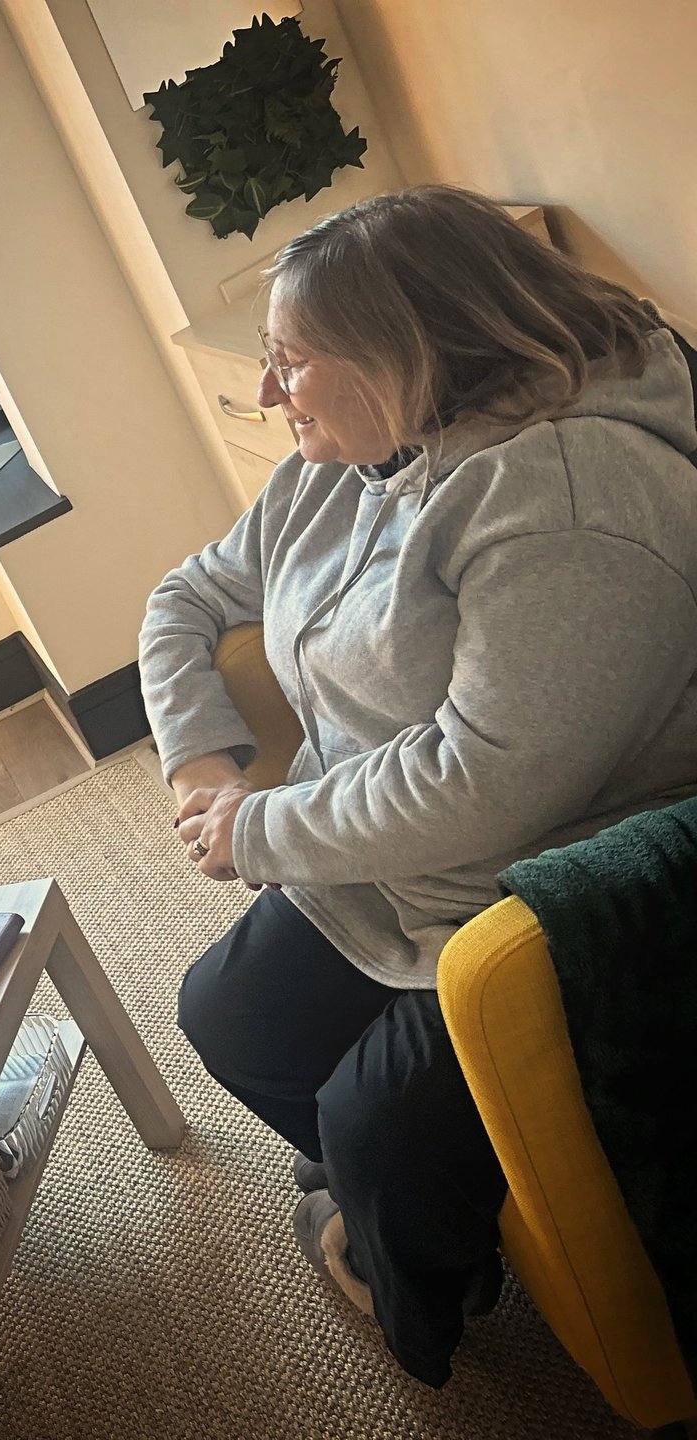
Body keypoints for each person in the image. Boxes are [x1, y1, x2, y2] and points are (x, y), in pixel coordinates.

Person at [139, 185, 697, 1385]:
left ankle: (414, 1286)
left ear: (404, 352)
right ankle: (436, 1220)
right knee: (223, 1012)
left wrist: (263, 829)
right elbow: (185, 598)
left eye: (289, 363)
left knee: (370, 1125)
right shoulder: (348, 460)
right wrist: (203, 760)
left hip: (546, 894)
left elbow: (480, 778)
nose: (266, 393)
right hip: (395, 866)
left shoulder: (573, 501)